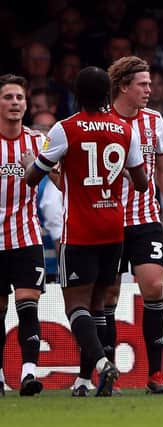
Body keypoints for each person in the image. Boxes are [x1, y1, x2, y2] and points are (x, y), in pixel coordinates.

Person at [24, 66, 148, 397]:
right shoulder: (125, 129)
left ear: (76, 95)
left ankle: (103, 365)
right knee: (100, 306)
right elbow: (142, 183)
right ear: (108, 94)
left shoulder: (65, 129)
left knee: (75, 306)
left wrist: (39, 166)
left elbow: (33, 176)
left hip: (80, 231)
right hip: (114, 229)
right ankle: (84, 380)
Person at [102, 56, 163, 395]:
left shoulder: (154, 121)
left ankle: (156, 374)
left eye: (150, 84)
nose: (150, 90)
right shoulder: (99, 121)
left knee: (153, 287)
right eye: (143, 84)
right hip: (106, 220)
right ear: (124, 86)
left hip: (146, 219)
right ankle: (107, 375)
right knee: (108, 295)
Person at [0, 74, 47, 396]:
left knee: (28, 306)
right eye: (8, 97)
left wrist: (40, 168)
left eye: (19, 97)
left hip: (27, 237)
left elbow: (61, 183)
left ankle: (28, 374)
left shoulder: (37, 141)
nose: (15, 103)